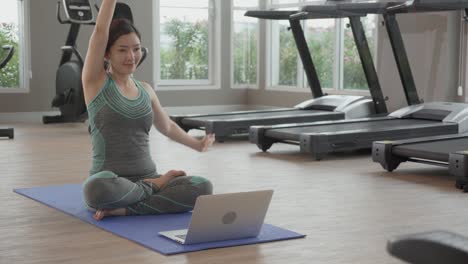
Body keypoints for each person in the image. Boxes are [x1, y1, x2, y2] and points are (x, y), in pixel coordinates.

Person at [81, 0, 214, 221]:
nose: (131, 56)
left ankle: (127, 208)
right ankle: (154, 190)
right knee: (96, 190)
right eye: (122, 50)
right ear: (106, 54)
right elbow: (100, 31)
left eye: (135, 49)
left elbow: (167, 126)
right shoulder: (95, 82)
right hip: (111, 180)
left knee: (203, 187)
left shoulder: (146, 90)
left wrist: (198, 145)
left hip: (148, 175)